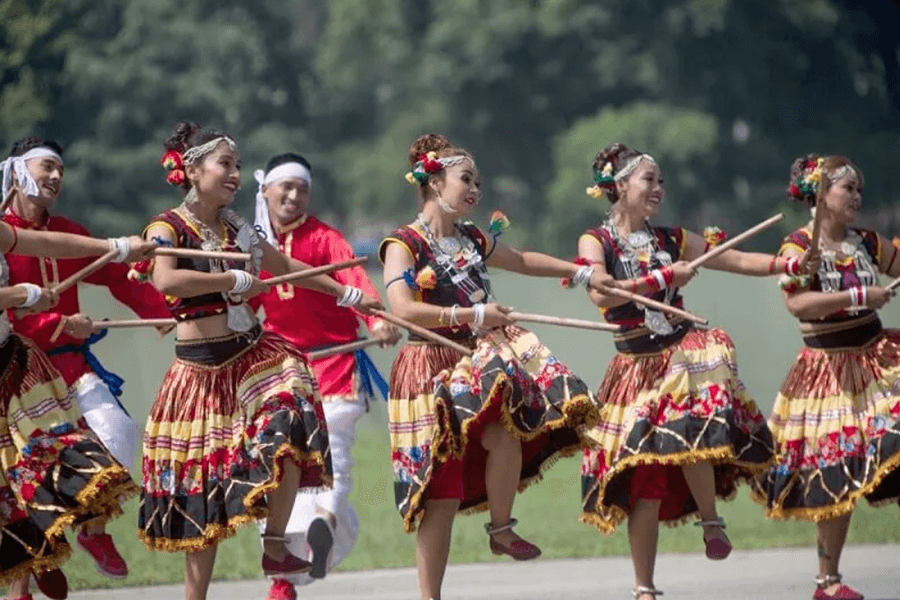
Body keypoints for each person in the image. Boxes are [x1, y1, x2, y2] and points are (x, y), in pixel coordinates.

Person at [135, 122, 382, 600]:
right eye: (225, 164)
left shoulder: (237, 229)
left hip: (248, 357)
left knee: (292, 419)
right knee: (202, 504)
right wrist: (228, 281)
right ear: (192, 169)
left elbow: (286, 268)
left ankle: (274, 543)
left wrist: (347, 292)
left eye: (238, 166)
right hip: (199, 373)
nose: (234, 175)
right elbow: (165, 280)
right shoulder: (168, 227)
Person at [576, 143, 816, 600]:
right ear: (620, 185)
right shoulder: (596, 241)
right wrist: (663, 280)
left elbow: (732, 257)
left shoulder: (671, 240)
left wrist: (786, 264)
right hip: (634, 370)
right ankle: (644, 587)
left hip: (681, 357)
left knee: (694, 434)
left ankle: (711, 521)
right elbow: (601, 295)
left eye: (661, 181)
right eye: (650, 180)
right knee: (642, 479)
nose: (659, 189)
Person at [381, 133, 607, 600]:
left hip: (477, 360)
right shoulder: (401, 243)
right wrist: (472, 315)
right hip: (429, 366)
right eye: (467, 178)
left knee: (504, 431)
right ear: (435, 180)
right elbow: (401, 309)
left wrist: (578, 269)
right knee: (439, 493)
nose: (476, 188)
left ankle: (501, 528)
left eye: (478, 181)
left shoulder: (472, 238)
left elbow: (522, 260)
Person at [2, 136, 171, 582]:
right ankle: (35, 561)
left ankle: (91, 528)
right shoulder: (4, 233)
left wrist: (163, 313)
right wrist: (48, 314)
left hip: (71, 366)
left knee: (118, 433)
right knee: (21, 481)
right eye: (46, 168)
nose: (56, 177)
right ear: (18, 172)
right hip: (16, 374)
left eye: (60, 169)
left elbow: (118, 275)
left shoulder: (72, 233)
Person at [251, 152, 401, 600]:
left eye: (303, 189)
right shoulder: (250, 245)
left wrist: (375, 318)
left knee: (331, 456)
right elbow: (243, 306)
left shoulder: (324, 237)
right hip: (279, 372)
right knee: (275, 468)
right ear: (266, 191)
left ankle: (294, 565)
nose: (295, 197)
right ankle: (312, 537)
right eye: (287, 188)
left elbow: (353, 276)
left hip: (333, 367)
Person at [751, 154, 900, 600]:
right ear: (820, 193)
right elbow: (797, 305)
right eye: (846, 188)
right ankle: (827, 581)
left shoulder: (868, 243)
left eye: (858, 189)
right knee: (836, 472)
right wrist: (859, 294)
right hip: (828, 370)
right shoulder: (797, 248)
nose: (856, 196)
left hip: (877, 357)